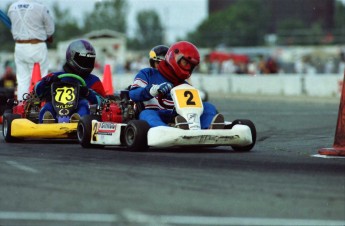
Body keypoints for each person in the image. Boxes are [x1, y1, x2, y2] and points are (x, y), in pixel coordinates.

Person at [129, 41, 224, 129]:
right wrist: (151, 91)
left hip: (178, 115)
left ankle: (207, 129)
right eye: (185, 63)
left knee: (208, 106)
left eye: (191, 65)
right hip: (155, 112)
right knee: (147, 114)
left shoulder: (183, 83)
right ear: (175, 58)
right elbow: (133, 94)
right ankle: (165, 131)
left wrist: (199, 96)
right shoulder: (147, 74)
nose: (188, 67)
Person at [34, 39, 106, 123]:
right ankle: (47, 120)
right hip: (55, 106)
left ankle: (77, 120)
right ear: (71, 57)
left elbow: (103, 102)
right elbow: (37, 90)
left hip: (81, 110)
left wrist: (88, 93)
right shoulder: (55, 76)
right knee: (48, 106)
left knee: (84, 106)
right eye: (83, 60)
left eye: (89, 60)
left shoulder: (94, 80)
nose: (86, 63)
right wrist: (47, 81)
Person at [8, 0, 55, 101]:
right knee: (43, 77)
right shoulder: (40, 7)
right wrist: (48, 36)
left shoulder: (12, 7)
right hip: (37, 45)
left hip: (20, 46)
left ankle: (21, 105)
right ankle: (42, 103)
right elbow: (50, 29)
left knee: (22, 80)